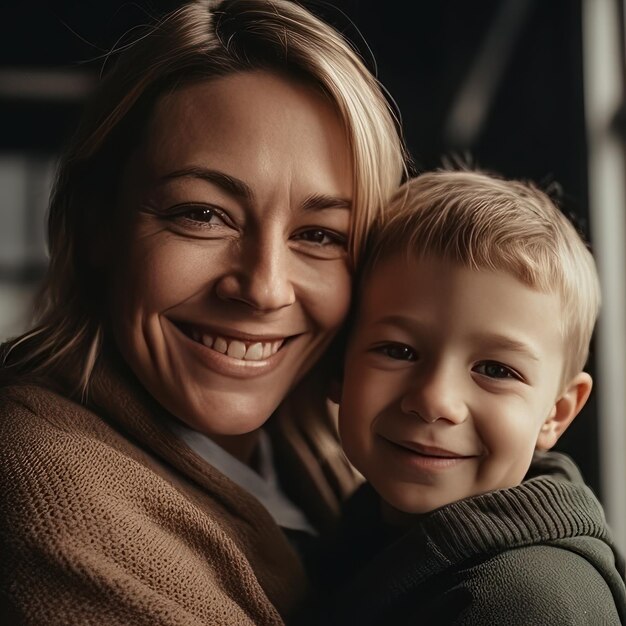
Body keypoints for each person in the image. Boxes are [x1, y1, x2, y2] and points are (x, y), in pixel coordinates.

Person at [0, 0, 411, 623]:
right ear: (94, 224)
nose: (265, 288)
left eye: (321, 235)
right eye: (202, 214)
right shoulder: (48, 487)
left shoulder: (315, 454)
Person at [311, 169, 626, 625]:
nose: (436, 400)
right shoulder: (358, 530)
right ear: (340, 365)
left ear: (556, 414)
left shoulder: (528, 606)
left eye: (496, 370)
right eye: (399, 351)